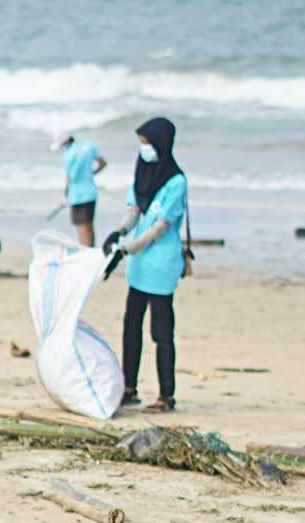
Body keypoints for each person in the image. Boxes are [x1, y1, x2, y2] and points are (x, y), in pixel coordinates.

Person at [103, 118, 188, 412]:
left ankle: (167, 395)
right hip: (138, 266)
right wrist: (119, 232)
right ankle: (129, 387)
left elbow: (159, 228)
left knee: (161, 332)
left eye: (147, 143)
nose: (144, 149)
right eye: (140, 143)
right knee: (131, 326)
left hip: (161, 264)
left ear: (161, 144)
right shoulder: (142, 173)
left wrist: (128, 249)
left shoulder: (176, 182)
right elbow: (134, 212)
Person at [53, 132, 107, 247]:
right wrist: (90, 174)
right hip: (90, 192)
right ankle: (90, 250)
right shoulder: (88, 146)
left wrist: (66, 192)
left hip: (77, 195)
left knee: (82, 228)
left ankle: (86, 253)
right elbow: (102, 163)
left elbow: (70, 177)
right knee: (89, 226)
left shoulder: (67, 155)